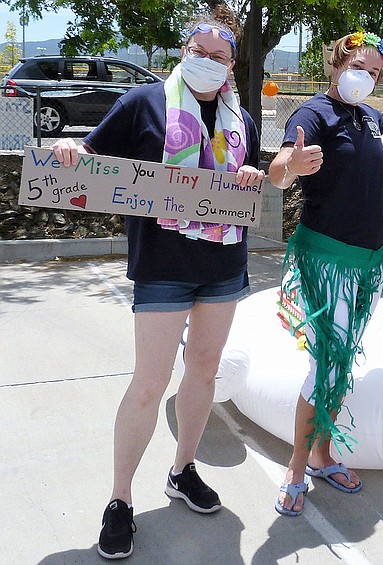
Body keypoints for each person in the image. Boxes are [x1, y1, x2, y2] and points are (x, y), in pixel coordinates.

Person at [52, 17, 263, 558]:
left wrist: (253, 179)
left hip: (222, 264)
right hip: (163, 263)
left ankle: (182, 469)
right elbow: (95, 156)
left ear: (231, 65)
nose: (210, 61)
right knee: (149, 383)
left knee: (203, 372)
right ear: (183, 51)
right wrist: (77, 155)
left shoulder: (241, 117)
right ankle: (120, 499)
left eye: (220, 55)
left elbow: (251, 176)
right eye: (200, 50)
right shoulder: (144, 102)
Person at [268, 31, 383, 517]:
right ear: (337, 63)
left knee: (341, 359)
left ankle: (323, 455)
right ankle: (297, 467)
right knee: (326, 361)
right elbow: (279, 168)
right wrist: (293, 165)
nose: (364, 77)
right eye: (358, 66)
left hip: (367, 260)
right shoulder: (313, 114)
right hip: (327, 257)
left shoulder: (370, 116)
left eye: (373, 72)